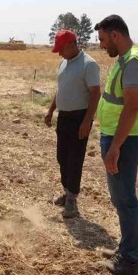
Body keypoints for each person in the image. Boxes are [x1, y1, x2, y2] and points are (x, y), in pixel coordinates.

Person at [95, 15, 138, 275]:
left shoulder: (133, 61)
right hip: (121, 137)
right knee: (121, 197)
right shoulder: (131, 57)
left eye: (102, 39)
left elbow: (132, 107)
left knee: (125, 199)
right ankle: (129, 247)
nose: (101, 45)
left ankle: (131, 258)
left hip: (125, 140)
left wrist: (115, 147)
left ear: (115, 35)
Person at [45, 30, 101, 218]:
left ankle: (72, 201)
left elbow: (95, 93)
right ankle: (66, 191)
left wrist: (87, 121)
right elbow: (60, 90)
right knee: (62, 157)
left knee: (75, 159)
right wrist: (51, 110)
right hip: (64, 117)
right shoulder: (64, 63)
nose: (59, 53)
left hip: (79, 118)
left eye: (61, 49)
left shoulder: (89, 64)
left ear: (71, 45)